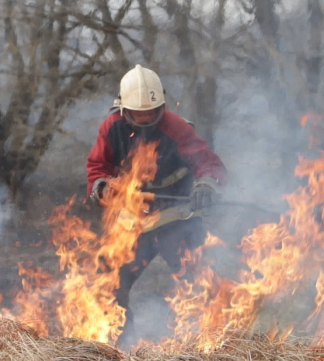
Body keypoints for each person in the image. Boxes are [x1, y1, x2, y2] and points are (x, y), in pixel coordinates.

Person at [86, 64, 227, 350]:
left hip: (176, 220)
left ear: (162, 106)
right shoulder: (111, 128)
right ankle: (119, 346)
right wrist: (102, 187)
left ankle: (206, 345)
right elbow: (97, 168)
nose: (146, 120)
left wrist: (206, 185)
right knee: (110, 283)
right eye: (138, 115)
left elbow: (209, 164)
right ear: (124, 110)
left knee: (197, 283)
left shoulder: (176, 127)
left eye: (151, 113)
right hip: (132, 222)